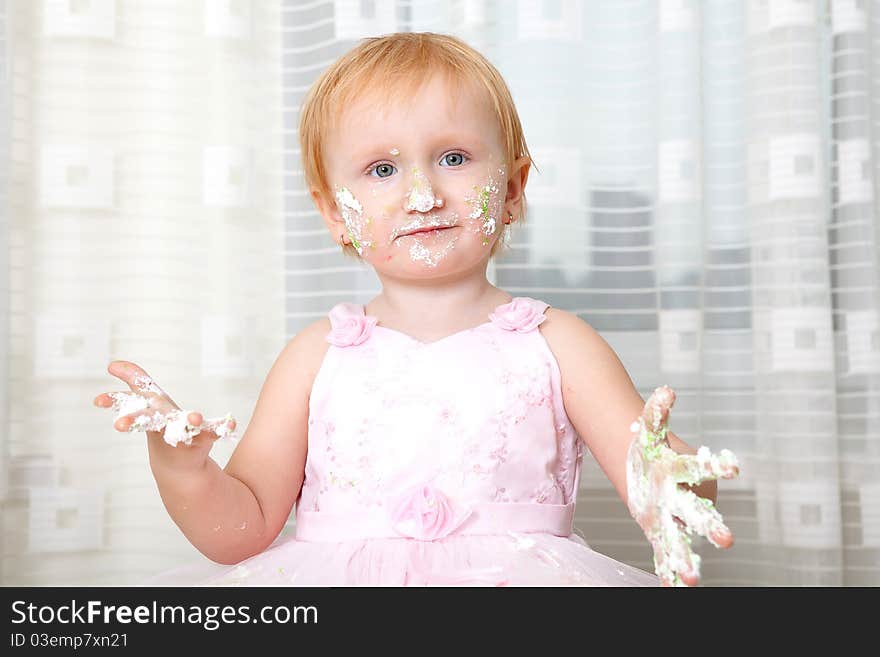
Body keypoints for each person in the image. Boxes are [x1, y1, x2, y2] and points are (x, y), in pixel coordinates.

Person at [95, 32, 737, 587]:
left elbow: (662, 486)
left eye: (453, 158)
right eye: (381, 169)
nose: (423, 195)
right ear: (332, 214)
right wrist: (182, 468)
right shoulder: (315, 357)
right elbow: (238, 533)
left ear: (512, 189)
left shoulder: (559, 343)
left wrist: (674, 478)